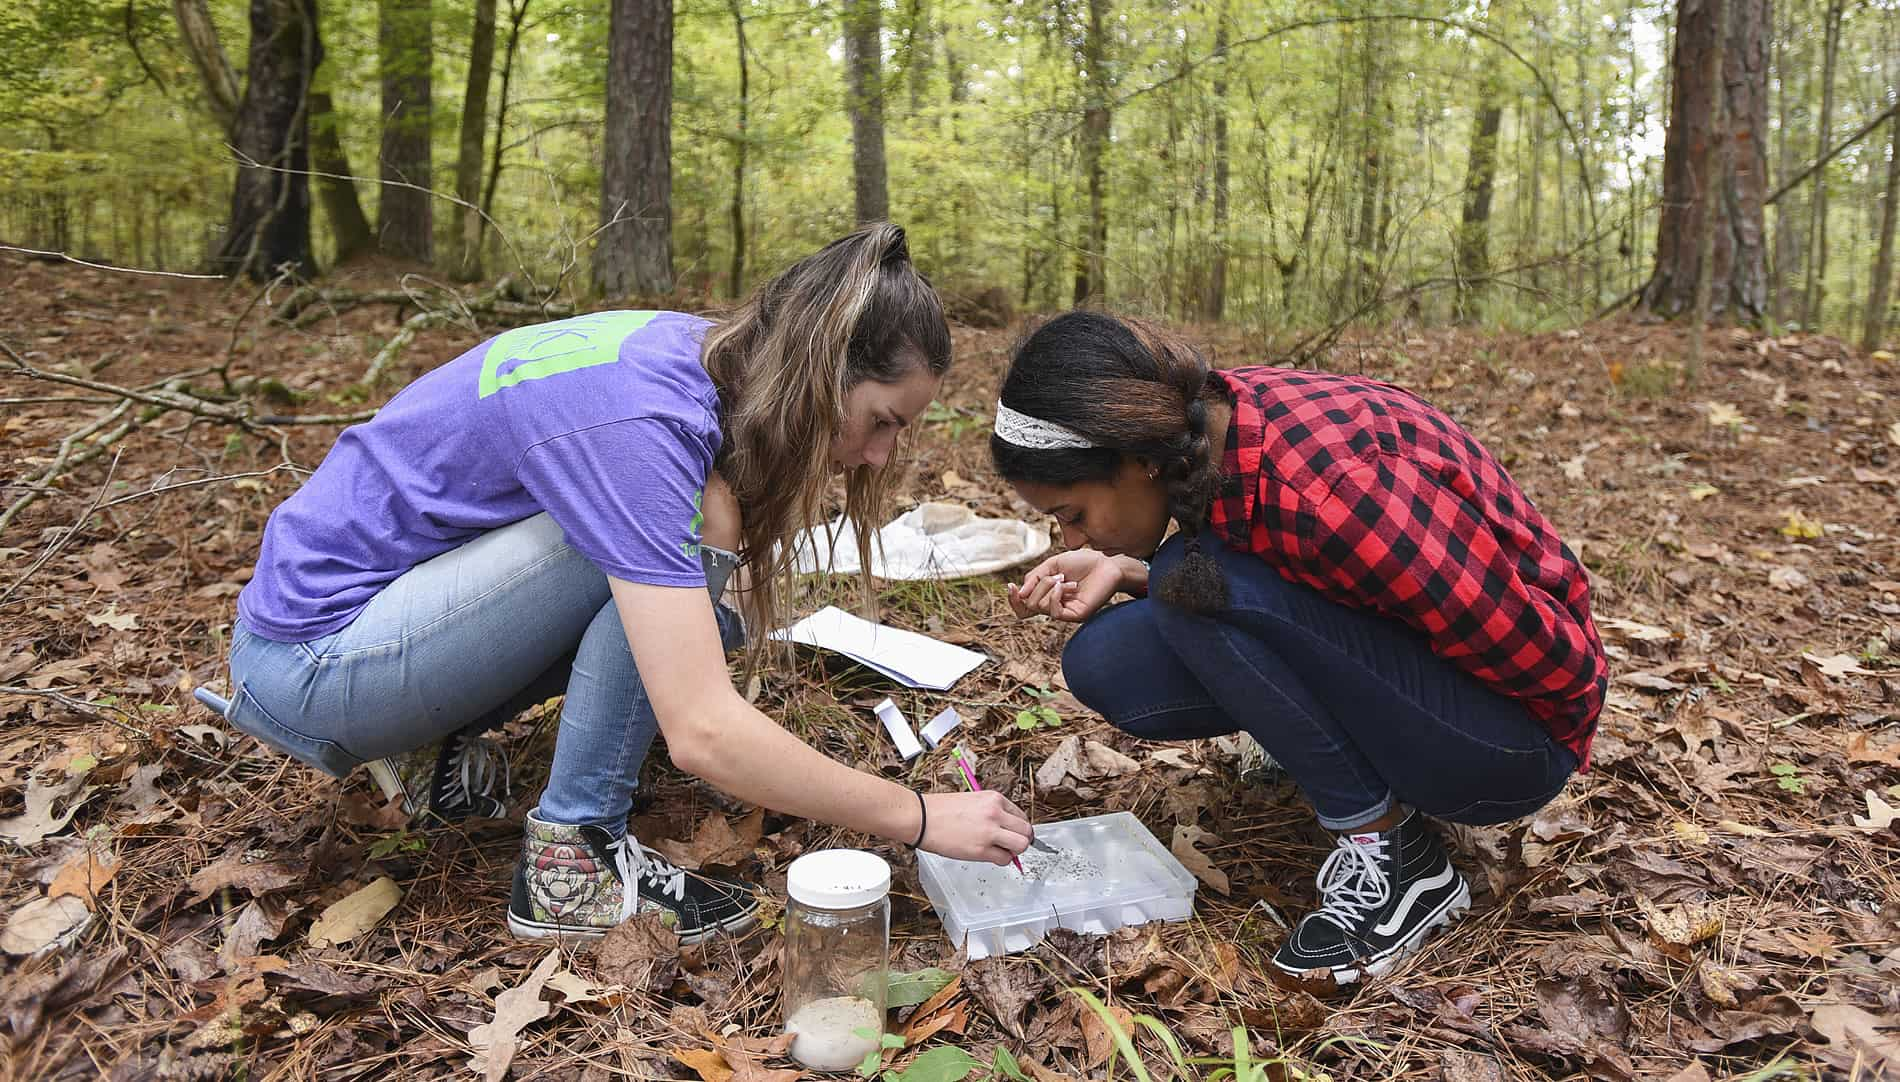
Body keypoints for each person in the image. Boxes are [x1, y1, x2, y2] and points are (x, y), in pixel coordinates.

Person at [218, 225, 1036, 945]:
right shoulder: (641, 427)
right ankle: (574, 862)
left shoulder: (697, 353)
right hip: (316, 664)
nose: (881, 453)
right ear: (819, 371)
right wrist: (920, 817)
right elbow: (703, 732)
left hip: (367, 628)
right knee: (688, 542)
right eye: (883, 420)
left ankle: (431, 750)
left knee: (699, 624)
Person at [992, 311, 1605, 990]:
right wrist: (1127, 570)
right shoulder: (1205, 432)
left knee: (1187, 584)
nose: (1074, 541)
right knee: (1107, 658)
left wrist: (1368, 692)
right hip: (1430, 681)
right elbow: (1294, 584)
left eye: (1074, 515)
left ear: (1137, 458)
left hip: (1515, 742)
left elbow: (1546, 665)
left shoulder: (1337, 487)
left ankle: (1403, 866)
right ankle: (1342, 763)